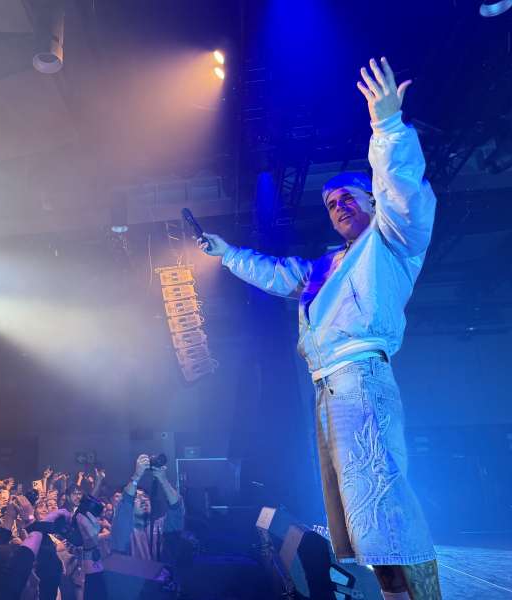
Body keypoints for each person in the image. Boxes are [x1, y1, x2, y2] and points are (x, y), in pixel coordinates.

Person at [200, 57, 440, 600]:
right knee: (360, 529)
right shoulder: (325, 267)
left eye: (348, 197)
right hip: (327, 391)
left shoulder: (391, 241)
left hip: (361, 380)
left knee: (387, 513)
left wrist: (387, 126)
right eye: (331, 203)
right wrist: (227, 253)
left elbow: (403, 192)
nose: (338, 207)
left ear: (371, 200)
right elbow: (274, 273)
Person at [110, 455, 184, 564]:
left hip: (161, 574)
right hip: (131, 574)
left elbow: (176, 507)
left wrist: (163, 480)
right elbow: (126, 502)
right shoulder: (123, 528)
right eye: (137, 497)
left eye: (145, 496)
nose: (143, 499)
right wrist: (137, 475)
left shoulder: (160, 526)